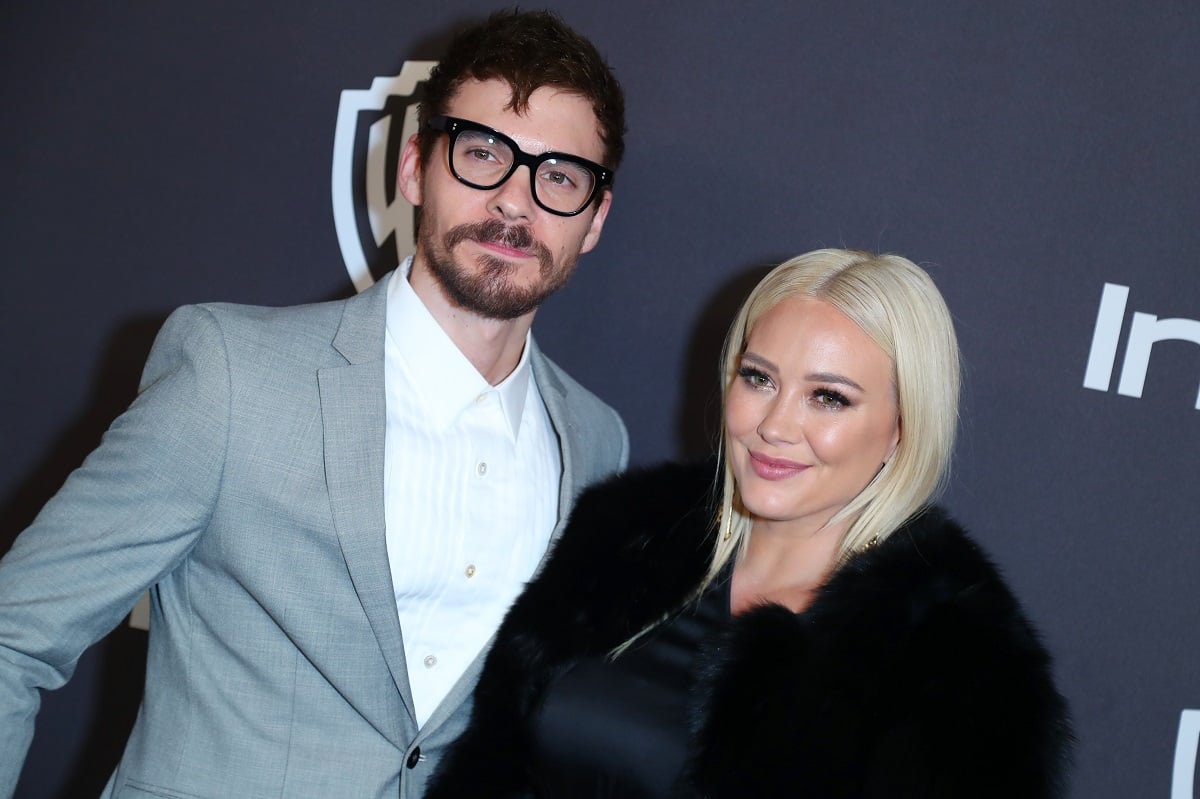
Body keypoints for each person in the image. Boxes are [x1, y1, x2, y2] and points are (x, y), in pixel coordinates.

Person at [0, 10, 628, 799]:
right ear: (414, 168)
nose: (513, 202)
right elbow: (14, 637)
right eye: (482, 155)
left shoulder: (597, 443)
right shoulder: (232, 374)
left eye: (560, 175)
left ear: (594, 219)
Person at [426, 249, 1073, 798]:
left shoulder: (963, 660)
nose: (775, 424)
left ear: (901, 430)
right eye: (759, 378)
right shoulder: (626, 534)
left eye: (828, 397)